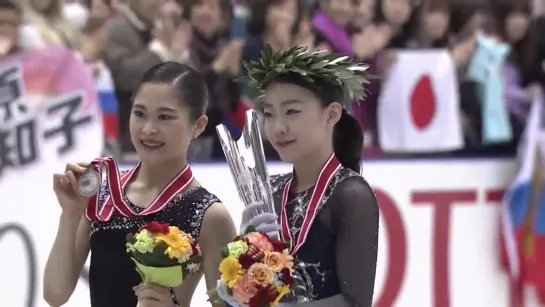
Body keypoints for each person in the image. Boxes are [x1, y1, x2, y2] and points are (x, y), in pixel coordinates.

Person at [43, 62, 237, 307]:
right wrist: (70, 213)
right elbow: (54, 294)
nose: (149, 128)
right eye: (140, 113)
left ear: (198, 126)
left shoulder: (209, 215)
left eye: (165, 117)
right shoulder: (104, 196)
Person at [239, 46, 379, 306]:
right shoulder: (271, 190)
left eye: (292, 111)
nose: (278, 128)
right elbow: (248, 292)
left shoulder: (350, 195)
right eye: (269, 114)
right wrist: (240, 260)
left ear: (332, 114)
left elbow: (355, 301)